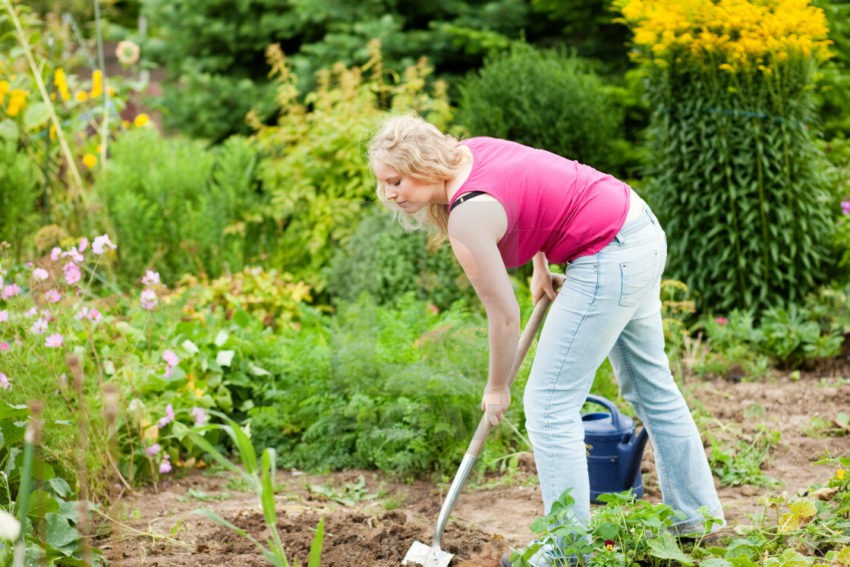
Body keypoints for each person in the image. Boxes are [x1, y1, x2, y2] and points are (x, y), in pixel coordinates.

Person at [368, 114, 724, 566]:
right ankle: (696, 519)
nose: (388, 193)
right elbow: (536, 189)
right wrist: (540, 264)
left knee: (549, 405)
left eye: (395, 180)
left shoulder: (467, 218)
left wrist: (497, 388)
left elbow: (504, 316)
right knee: (650, 386)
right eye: (382, 183)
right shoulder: (471, 152)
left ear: (422, 164)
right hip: (636, 226)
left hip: (607, 253)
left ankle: (565, 552)